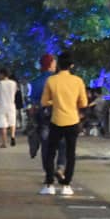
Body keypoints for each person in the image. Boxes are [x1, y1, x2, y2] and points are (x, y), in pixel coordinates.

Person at [40, 52, 88, 196]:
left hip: (56, 120)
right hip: (73, 121)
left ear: (58, 64)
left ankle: (49, 184)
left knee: (50, 152)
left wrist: (55, 102)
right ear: (71, 65)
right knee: (70, 153)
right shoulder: (78, 81)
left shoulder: (51, 80)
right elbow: (84, 103)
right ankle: (67, 185)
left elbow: (43, 102)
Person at [28, 53, 66, 184]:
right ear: (50, 64)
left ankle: (48, 172)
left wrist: (32, 118)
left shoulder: (36, 81)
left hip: (42, 116)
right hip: (59, 114)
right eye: (54, 62)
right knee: (62, 143)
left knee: (46, 145)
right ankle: (60, 167)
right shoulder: (57, 79)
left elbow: (33, 103)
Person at [0, 68, 18, 147]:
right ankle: (12, 136)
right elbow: (15, 92)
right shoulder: (13, 83)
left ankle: (4, 142)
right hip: (11, 104)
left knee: (3, 124)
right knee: (12, 121)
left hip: (1, 105)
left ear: (2, 74)